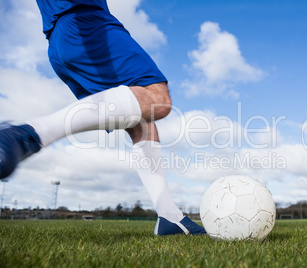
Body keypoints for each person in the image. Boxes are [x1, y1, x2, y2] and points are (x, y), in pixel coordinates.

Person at [0, 0, 205, 236]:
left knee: (141, 118)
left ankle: (170, 218)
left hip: (60, 38)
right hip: (85, 22)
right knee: (156, 98)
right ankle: (27, 135)